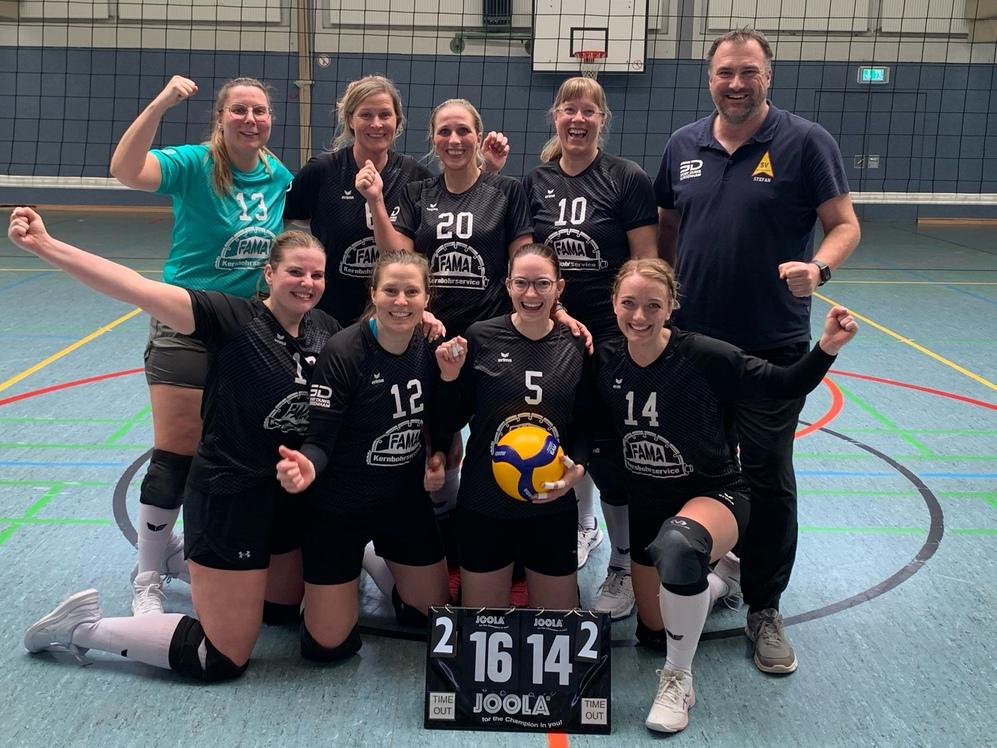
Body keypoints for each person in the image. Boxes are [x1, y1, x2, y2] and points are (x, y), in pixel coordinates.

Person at [16, 208, 341, 681]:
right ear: (268, 273)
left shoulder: (324, 329)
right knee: (224, 657)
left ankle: (184, 562)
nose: (307, 282)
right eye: (295, 271)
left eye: (316, 274)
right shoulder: (231, 318)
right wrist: (47, 246)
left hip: (283, 500)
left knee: (282, 614)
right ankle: (82, 627)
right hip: (229, 496)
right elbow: (134, 287)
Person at [654, 27, 861, 673]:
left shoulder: (804, 142)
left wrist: (818, 270)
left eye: (747, 72)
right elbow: (665, 231)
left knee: (767, 476)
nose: (736, 83)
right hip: (691, 344)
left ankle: (764, 607)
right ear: (709, 77)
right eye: (724, 73)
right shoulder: (681, 145)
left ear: (766, 76)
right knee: (693, 469)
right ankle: (703, 564)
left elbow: (844, 222)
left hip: (770, 345)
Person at [593, 258, 857, 732]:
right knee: (655, 629)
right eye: (628, 303)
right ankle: (720, 580)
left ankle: (678, 680)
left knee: (678, 546)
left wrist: (826, 348)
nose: (639, 315)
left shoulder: (704, 356)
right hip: (649, 504)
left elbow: (780, 384)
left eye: (653, 305)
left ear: (671, 306)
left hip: (716, 494)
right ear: (613, 304)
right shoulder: (607, 360)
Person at [109, 75, 295, 615]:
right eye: (239, 110)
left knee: (231, 450)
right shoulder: (194, 163)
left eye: (259, 111)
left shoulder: (276, 175)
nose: (251, 119)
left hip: (244, 329)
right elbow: (125, 170)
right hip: (185, 319)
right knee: (175, 453)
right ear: (221, 118)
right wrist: (163, 100)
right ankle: (146, 575)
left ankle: (193, 550)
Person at [358, 98, 535, 538]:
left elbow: (521, 261)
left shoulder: (508, 191)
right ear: (433, 139)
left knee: (497, 429)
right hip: (431, 333)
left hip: (490, 335)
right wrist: (377, 201)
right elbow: (398, 256)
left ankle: (497, 522)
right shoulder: (419, 193)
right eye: (444, 132)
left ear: (478, 135)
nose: (454, 141)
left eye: (463, 131)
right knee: (440, 438)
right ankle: (443, 528)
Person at [523, 76, 658, 620]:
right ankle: (583, 526)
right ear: (555, 116)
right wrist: (554, 311)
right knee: (563, 432)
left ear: (604, 119)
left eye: (589, 111)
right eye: (568, 110)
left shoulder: (627, 178)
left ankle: (623, 564)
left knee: (610, 449)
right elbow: (525, 259)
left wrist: (635, 330)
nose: (578, 120)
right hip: (553, 332)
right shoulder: (535, 181)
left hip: (610, 337)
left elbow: (645, 263)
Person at [275, 251, 451, 656]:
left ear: (427, 298)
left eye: (411, 292)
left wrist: (437, 455)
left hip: (403, 500)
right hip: (340, 505)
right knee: (328, 647)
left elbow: (440, 419)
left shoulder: (431, 344)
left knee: (432, 621)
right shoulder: (344, 351)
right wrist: (307, 467)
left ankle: (375, 558)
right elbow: (320, 440)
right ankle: (346, 570)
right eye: (390, 290)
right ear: (374, 293)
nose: (400, 302)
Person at [433, 244, 591, 609]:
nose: (531, 294)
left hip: (551, 502)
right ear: (507, 285)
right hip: (485, 501)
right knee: (480, 622)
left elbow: (586, 424)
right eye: (521, 283)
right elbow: (451, 420)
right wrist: (449, 378)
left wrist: (578, 469)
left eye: (542, 284)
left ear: (560, 288)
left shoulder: (576, 343)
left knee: (557, 624)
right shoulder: (481, 337)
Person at [285, 76, 510, 327]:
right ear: (350, 120)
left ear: (397, 121)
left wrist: (487, 170)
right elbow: (284, 221)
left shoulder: (414, 177)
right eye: (366, 115)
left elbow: (457, 203)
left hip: (397, 317)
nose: (376, 124)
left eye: (385, 115)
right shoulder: (323, 171)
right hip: (332, 314)